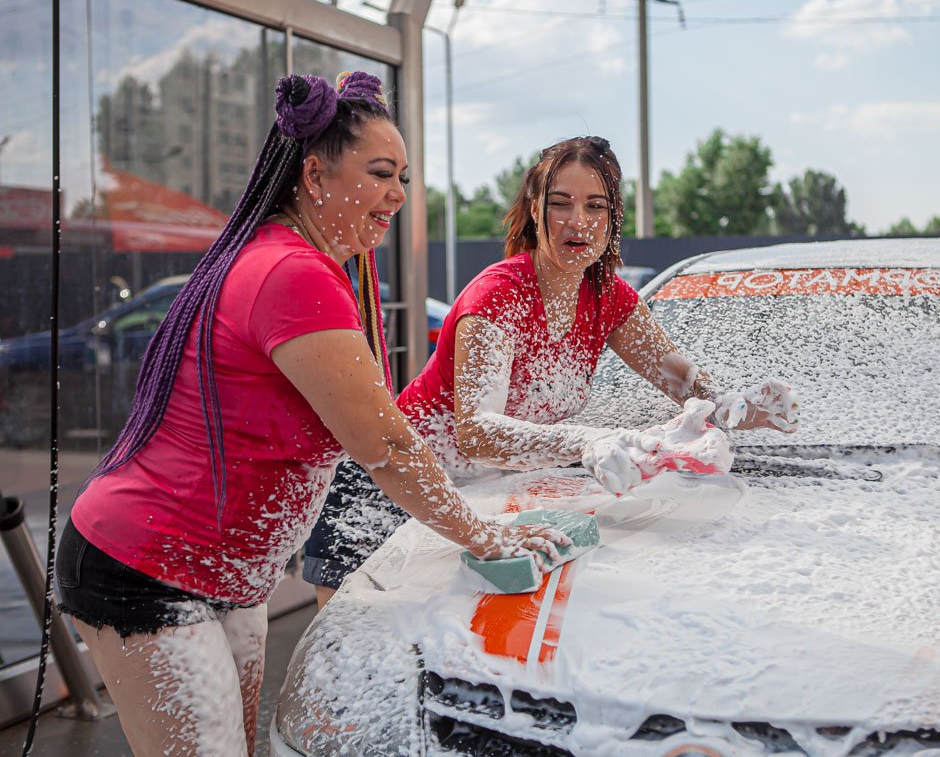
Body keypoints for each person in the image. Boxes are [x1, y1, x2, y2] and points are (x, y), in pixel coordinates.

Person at [54, 71, 564, 757]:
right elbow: (384, 442)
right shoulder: (292, 273)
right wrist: (484, 537)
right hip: (147, 565)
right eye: (381, 173)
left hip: (224, 575)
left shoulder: (296, 262)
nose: (399, 195)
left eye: (404, 177)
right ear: (316, 174)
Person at [304, 134, 801, 607]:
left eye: (595, 206)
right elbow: (476, 432)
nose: (577, 222)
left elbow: (685, 383)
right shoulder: (499, 295)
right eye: (560, 203)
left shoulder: (609, 300)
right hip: (388, 491)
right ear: (534, 213)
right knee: (357, 665)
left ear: (613, 218)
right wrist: (587, 441)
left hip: (473, 502)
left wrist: (738, 408)